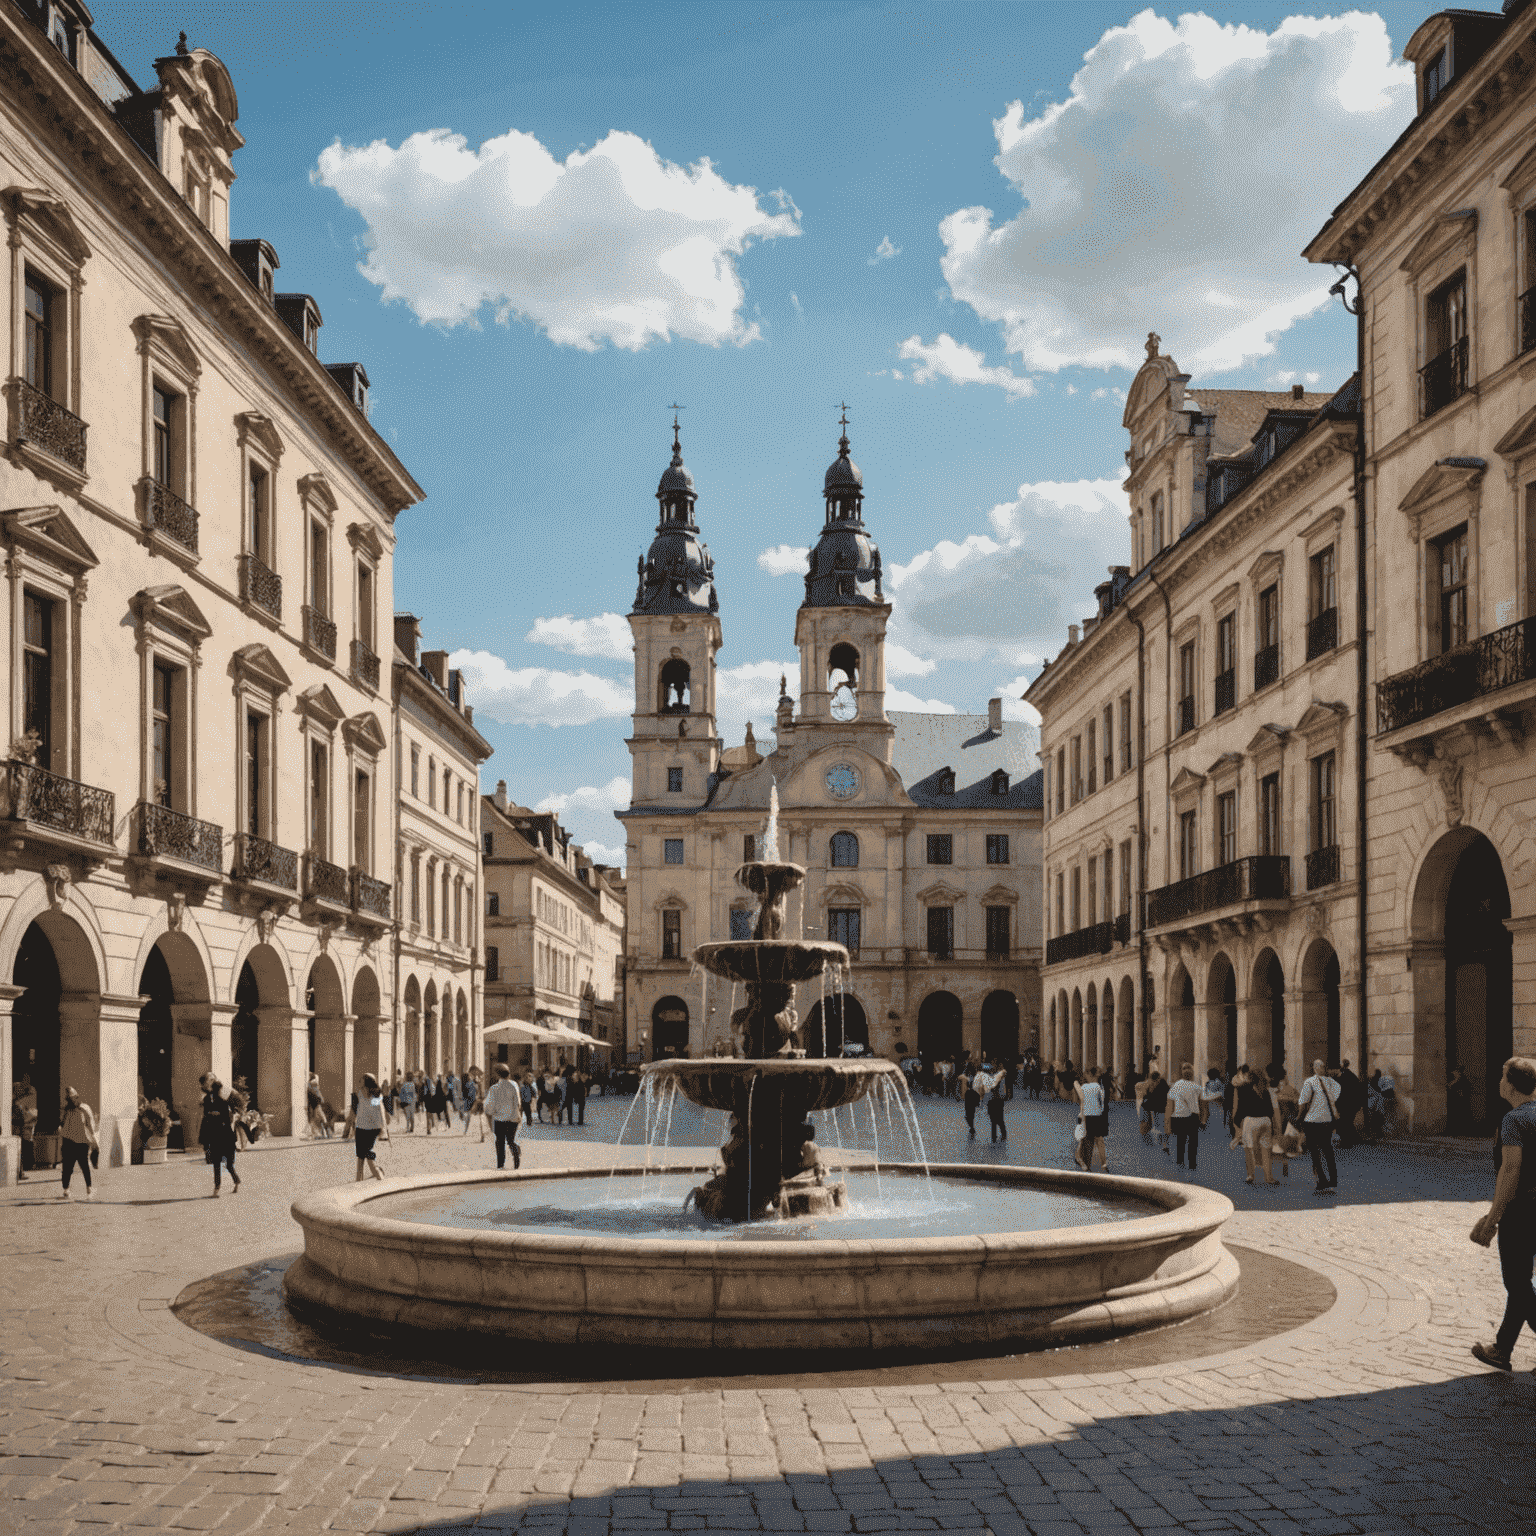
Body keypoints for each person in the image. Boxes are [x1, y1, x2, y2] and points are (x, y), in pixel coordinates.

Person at [1469, 1056, 1536, 1371]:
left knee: (1518, 1283)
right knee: (1522, 1284)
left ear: (1510, 1083)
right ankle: (1502, 1348)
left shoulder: (1515, 1120)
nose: (1499, 1081)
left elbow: (1511, 1169)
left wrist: (1493, 1216)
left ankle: (1501, 1349)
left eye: (1501, 1076)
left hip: (1522, 1212)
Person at [1297, 1058, 1341, 1194]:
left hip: (1313, 1122)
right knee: (1327, 1150)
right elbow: (1336, 1094)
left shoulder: (1310, 1082)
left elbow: (1303, 1102)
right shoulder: (1328, 1082)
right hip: (1325, 1121)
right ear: (1318, 1068)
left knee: (1316, 1152)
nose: (1322, 1068)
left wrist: (1298, 1117)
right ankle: (1329, 1180)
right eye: (1321, 1066)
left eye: (1322, 1066)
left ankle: (1323, 1181)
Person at [1232, 1065, 1280, 1185]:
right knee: (1266, 1150)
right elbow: (1270, 1109)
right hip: (1265, 1120)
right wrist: (1275, 1126)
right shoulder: (1265, 1089)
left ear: (1249, 1076)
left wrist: (1236, 1123)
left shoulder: (1241, 1088)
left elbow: (1238, 1107)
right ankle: (1269, 1177)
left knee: (1249, 1148)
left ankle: (1250, 1175)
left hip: (1250, 1120)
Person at [199, 1076, 239, 1196]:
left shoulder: (223, 1102)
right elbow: (207, 1117)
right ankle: (218, 1188)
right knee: (221, 1163)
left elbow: (227, 1120)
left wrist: (216, 1115)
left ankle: (233, 1182)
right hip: (219, 1136)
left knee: (225, 1164)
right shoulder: (209, 1100)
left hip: (223, 1136)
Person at [58, 1086, 97, 1199]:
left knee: (68, 1167)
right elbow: (90, 1126)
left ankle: (67, 1189)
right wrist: (92, 1139)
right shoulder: (81, 1109)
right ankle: (88, 1188)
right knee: (82, 1166)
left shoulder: (67, 1110)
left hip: (71, 1142)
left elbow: (61, 1125)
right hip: (79, 1142)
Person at [348, 1073, 388, 1182]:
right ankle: (358, 1181)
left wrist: (383, 1129)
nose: (359, 1082)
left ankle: (379, 1175)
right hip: (360, 1128)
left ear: (367, 1082)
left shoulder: (375, 1096)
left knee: (369, 1154)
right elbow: (356, 1112)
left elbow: (380, 1113)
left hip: (372, 1129)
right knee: (360, 1157)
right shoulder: (359, 1094)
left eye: (361, 1079)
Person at [1165, 1063, 1203, 1171]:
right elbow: (1202, 1103)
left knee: (1180, 1140)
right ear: (1192, 1074)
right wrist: (1203, 1119)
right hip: (1193, 1117)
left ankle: (1180, 1161)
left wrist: (1167, 1122)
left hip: (1178, 1117)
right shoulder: (1197, 1087)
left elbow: (1170, 1105)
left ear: (1182, 1073)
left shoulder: (1175, 1086)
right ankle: (1192, 1163)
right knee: (1193, 1141)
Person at [485, 1062, 523, 1170]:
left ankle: (500, 1165)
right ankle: (515, 1152)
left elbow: (489, 1107)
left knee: (500, 1141)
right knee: (511, 1140)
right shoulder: (514, 1085)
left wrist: (491, 1113)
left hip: (500, 1119)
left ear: (497, 1074)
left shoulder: (494, 1088)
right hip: (513, 1118)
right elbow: (518, 1103)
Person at [1077, 1066, 1109, 1172]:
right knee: (1099, 1139)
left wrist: (1081, 1115)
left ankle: (1087, 1164)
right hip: (1098, 1115)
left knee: (1089, 1140)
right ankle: (1104, 1163)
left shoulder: (1084, 1087)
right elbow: (1102, 1102)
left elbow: (1081, 1103)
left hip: (1088, 1116)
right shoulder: (1099, 1086)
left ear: (1089, 1075)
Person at [12, 1079, 37, 1181]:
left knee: (20, 1152)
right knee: (18, 1152)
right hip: (17, 1131)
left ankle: (20, 1172)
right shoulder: (16, 1104)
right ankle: (20, 1173)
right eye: (19, 1089)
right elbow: (22, 1117)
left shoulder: (16, 1102)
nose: (21, 1091)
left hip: (18, 1130)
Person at [1335, 1059, 1363, 1147]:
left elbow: (1341, 1093)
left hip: (1346, 1104)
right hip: (1353, 1104)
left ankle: (1346, 1142)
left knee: (1344, 1123)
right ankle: (1356, 1139)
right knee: (1348, 1122)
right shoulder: (1352, 1076)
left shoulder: (1343, 1077)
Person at [1143, 1071, 1171, 1154]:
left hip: (1154, 1109)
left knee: (1158, 1126)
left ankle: (1161, 1141)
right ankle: (1164, 1144)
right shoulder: (1162, 1084)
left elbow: (1147, 1096)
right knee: (1164, 1127)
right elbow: (1169, 1094)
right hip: (1162, 1109)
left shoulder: (1150, 1086)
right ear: (1158, 1077)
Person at [1447, 1065, 1474, 1137]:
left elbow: (1464, 1092)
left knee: (1461, 1116)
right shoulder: (1455, 1081)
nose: (1453, 1073)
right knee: (1456, 1116)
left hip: (1461, 1103)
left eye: (1455, 1072)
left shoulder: (1463, 1081)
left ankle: (1461, 1132)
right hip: (1456, 1102)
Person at [987, 1074, 1008, 1141]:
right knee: (996, 1121)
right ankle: (996, 1136)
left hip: (998, 1104)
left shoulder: (1001, 1083)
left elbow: (1003, 1094)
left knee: (998, 1121)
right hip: (995, 1103)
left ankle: (997, 1136)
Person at [959, 1066, 978, 1137]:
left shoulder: (975, 1078)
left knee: (971, 1113)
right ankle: (972, 1127)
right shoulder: (966, 1078)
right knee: (968, 1114)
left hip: (972, 1095)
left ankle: (972, 1128)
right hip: (969, 1096)